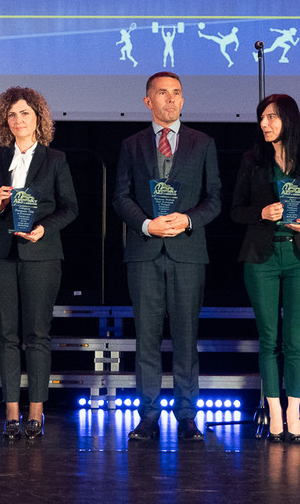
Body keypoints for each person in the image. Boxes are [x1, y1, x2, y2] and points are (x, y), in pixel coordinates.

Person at [112, 71, 221, 443]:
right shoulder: (131, 145)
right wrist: (147, 225)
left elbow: (215, 198)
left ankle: (187, 416)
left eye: (176, 92)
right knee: (146, 340)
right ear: (148, 101)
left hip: (187, 253)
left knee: (186, 339)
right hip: (145, 253)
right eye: (162, 93)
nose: (171, 99)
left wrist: (187, 220)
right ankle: (148, 417)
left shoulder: (202, 143)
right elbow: (121, 197)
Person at [230, 94, 300, 442]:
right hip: (262, 257)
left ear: (288, 119)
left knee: (296, 341)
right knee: (268, 339)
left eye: (271, 117)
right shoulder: (252, 160)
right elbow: (236, 210)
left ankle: (294, 413)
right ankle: (274, 413)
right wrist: (261, 213)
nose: (265, 124)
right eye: (262, 118)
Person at [0, 86, 78, 440]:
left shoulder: (55, 159)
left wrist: (43, 228)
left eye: (25, 113)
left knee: (37, 334)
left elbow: (70, 207)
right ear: (4, 121)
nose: (18, 120)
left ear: (38, 118)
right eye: (12, 115)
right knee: (6, 335)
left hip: (41, 253)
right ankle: (11, 413)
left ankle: (36, 412)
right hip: (0, 254)